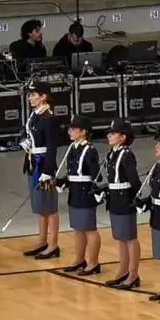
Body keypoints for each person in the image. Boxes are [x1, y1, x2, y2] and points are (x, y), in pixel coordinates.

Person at [19, 81, 64, 260]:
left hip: (44, 163)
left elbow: (52, 147)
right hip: (33, 162)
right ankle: (42, 241)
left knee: (49, 206)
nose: (29, 98)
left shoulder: (49, 118)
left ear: (43, 96)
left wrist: (48, 171)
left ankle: (53, 245)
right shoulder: (35, 115)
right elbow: (28, 132)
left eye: (33, 95)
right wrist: (24, 142)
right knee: (39, 205)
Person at [56, 115, 103, 275]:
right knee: (78, 229)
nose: (70, 131)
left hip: (85, 193)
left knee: (89, 229)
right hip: (74, 193)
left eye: (74, 129)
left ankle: (93, 263)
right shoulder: (73, 148)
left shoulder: (89, 150)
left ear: (83, 132)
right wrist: (64, 180)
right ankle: (79, 259)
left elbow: (97, 176)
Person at [100, 118, 142, 289]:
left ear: (123, 137)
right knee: (121, 238)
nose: (109, 136)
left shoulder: (126, 155)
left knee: (130, 237)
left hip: (125, 198)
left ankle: (133, 274)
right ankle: (123, 271)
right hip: (115, 198)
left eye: (113, 133)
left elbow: (134, 180)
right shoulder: (112, 154)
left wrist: (136, 198)